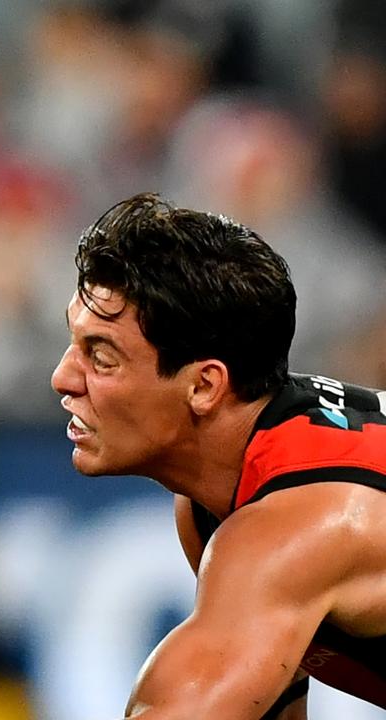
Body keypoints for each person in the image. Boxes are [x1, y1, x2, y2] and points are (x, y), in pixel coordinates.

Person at [49, 193, 386, 719]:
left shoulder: (294, 529)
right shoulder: (215, 504)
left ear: (205, 385)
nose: (63, 378)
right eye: (75, 345)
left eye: (101, 357)